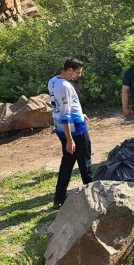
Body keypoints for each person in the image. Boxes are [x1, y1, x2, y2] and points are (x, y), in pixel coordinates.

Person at [48, 58, 93, 209]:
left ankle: (59, 197)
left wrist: (80, 114)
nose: (78, 75)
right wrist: (70, 139)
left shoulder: (53, 81)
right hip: (75, 131)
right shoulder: (65, 86)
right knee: (85, 162)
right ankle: (93, 197)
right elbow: (65, 114)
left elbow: (63, 106)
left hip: (62, 129)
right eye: (77, 72)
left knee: (67, 163)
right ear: (69, 70)